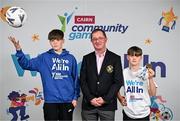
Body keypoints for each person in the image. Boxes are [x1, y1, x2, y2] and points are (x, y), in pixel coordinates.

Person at [9, 29, 80, 121]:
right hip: (50, 101)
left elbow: (75, 80)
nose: (55, 42)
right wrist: (19, 50)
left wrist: (75, 98)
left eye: (57, 40)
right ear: (49, 42)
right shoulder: (44, 58)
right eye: (52, 40)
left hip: (67, 101)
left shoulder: (71, 58)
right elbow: (26, 64)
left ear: (63, 41)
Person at [80, 29, 124, 121]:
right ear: (91, 41)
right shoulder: (86, 58)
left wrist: (105, 99)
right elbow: (83, 81)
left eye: (100, 38)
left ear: (105, 39)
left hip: (108, 105)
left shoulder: (115, 58)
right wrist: (90, 98)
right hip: (89, 105)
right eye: (94, 39)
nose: (97, 41)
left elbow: (118, 81)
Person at [117, 46, 157, 121]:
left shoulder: (146, 72)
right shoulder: (123, 73)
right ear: (128, 57)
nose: (134, 58)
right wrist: (120, 98)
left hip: (144, 113)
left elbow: (153, 94)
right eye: (132, 55)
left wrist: (150, 78)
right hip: (128, 113)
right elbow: (115, 88)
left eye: (137, 55)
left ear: (141, 57)